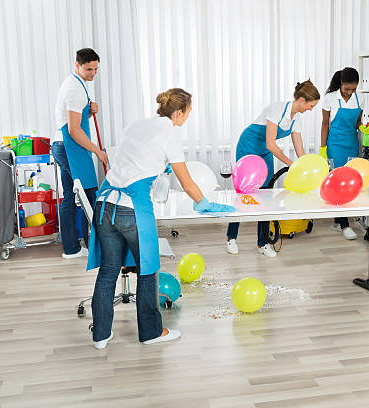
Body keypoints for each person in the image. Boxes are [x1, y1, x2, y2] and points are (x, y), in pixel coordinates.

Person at [87, 88, 235, 349]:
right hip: (131, 209)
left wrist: (156, 164)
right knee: (148, 270)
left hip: (104, 204)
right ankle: (151, 333)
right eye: (188, 113)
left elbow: (130, 158)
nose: (187, 118)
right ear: (178, 113)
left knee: (108, 271)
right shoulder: (170, 135)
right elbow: (186, 181)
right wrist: (204, 203)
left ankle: (100, 335)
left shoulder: (137, 125)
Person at [226, 80, 320, 257]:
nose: (310, 109)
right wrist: (290, 164)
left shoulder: (297, 119)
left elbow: (300, 151)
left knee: (266, 196)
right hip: (248, 147)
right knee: (243, 194)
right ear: (301, 100)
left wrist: (306, 166)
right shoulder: (276, 109)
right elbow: (271, 143)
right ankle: (231, 237)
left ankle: (263, 243)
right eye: (311, 105)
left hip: (265, 152)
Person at [52, 48, 108, 259]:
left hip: (64, 146)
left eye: (96, 69)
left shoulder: (77, 83)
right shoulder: (75, 89)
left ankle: (72, 248)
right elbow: (74, 130)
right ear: (77, 65)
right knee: (88, 196)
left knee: (71, 196)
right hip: (70, 148)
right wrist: (98, 152)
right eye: (88, 69)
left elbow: (76, 120)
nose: (93, 73)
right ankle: (93, 247)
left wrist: (90, 110)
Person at [320, 68, 363, 240]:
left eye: (353, 89)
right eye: (347, 89)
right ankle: (345, 224)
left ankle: (338, 222)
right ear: (341, 84)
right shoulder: (330, 98)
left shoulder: (362, 98)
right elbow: (325, 124)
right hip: (334, 145)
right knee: (338, 182)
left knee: (349, 181)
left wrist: (364, 127)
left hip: (352, 144)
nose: (350, 93)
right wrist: (323, 148)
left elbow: (358, 122)